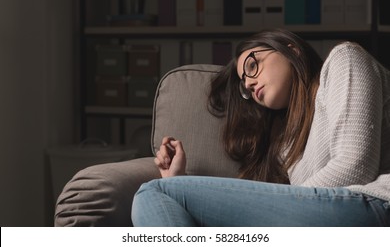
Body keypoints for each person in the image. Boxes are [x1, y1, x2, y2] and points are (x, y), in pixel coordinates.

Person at [131, 28, 390, 226]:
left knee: (155, 192)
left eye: (253, 66)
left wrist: (178, 190)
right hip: (330, 216)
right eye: (244, 85)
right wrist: (179, 181)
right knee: (161, 193)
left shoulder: (344, 60)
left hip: (375, 204)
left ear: (291, 49)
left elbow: (355, 166)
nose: (250, 85)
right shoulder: (287, 144)